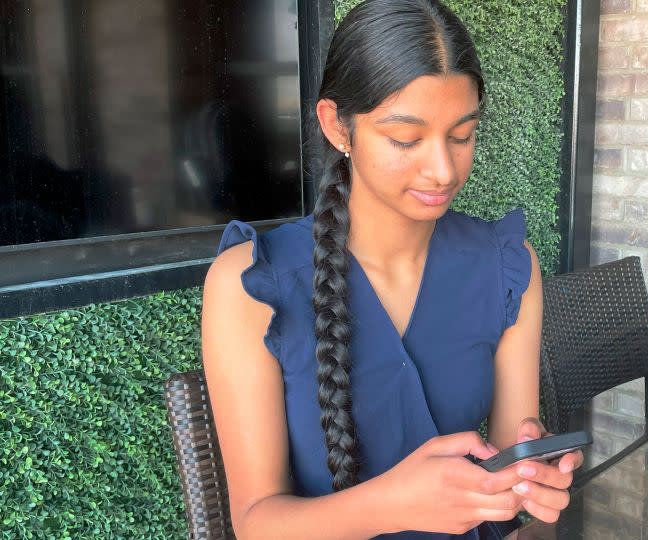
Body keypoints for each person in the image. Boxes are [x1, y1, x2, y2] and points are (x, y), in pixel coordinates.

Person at [200, 1, 582, 538]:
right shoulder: (251, 286)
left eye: (462, 134)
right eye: (406, 139)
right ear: (337, 125)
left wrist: (527, 473)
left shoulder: (507, 266)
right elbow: (256, 522)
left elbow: (507, 453)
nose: (443, 169)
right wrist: (392, 504)